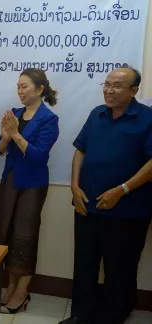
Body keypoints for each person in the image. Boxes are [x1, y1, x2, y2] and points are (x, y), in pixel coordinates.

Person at [61, 68, 152, 324]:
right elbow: (81, 150)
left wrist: (122, 190)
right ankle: (80, 315)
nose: (109, 90)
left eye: (117, 86)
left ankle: (113, 316)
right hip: (88, 206)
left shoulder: (147, 119)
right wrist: (74, 185)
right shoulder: (96, 114)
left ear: (134, 91)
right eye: (107, 84)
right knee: (85, 264)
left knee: (120, 269)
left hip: (128, 211)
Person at [0, 68, 60, 314]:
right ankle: (10, 287)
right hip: (10, 180)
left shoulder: (48, 119)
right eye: (18, 86)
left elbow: (39, 157)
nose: (20, 91)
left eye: (25, 87)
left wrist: (16, 134)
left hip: (32, 184)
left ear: (40, 89)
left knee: (25, 237)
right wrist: (6, 138)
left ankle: (22, 292)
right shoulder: (15, 113)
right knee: (6, 232)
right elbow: (0, 150)